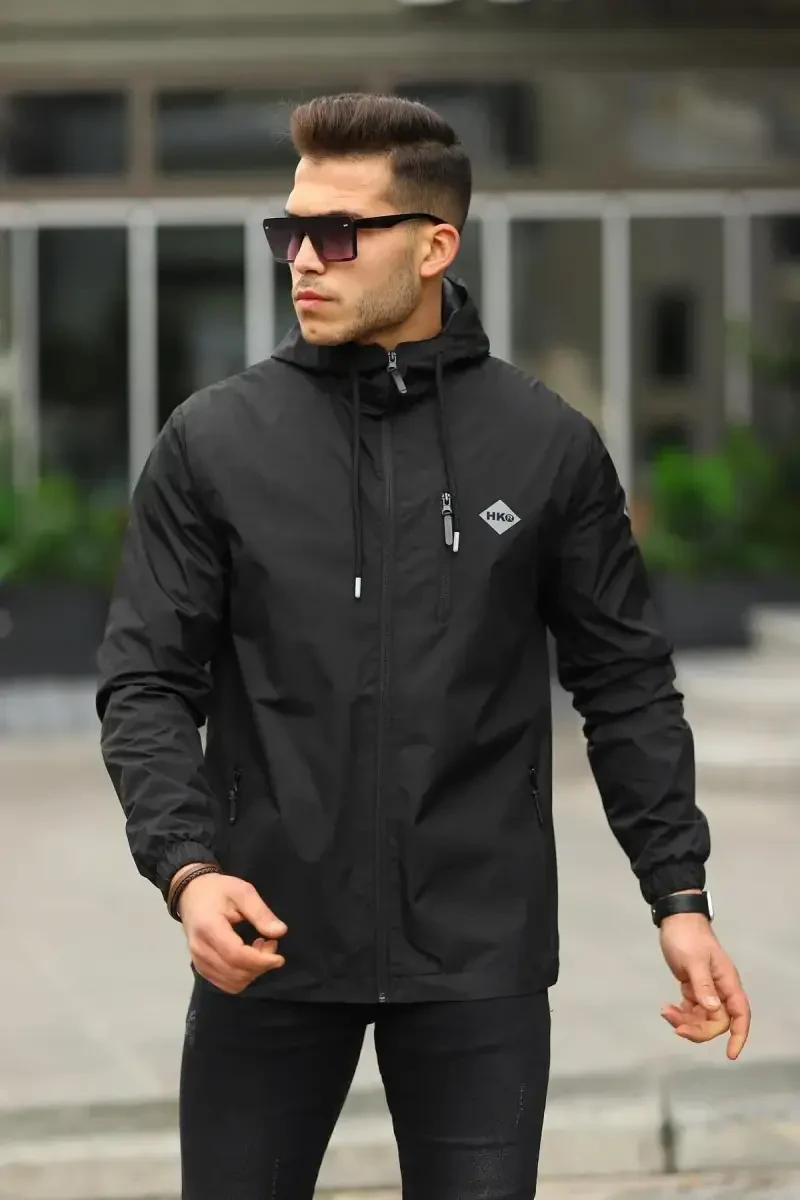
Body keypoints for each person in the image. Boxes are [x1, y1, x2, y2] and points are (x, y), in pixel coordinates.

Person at [97, 93, 751, 1200]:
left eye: (338, 233)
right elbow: (146, 680)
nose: (304, 260)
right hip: (266, 931)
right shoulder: (214, 442)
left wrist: (677, 894)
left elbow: (626, 685)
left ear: (435, 246)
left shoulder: (544, 446)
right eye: (290, 231)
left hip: (478, 952)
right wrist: (188, 870)